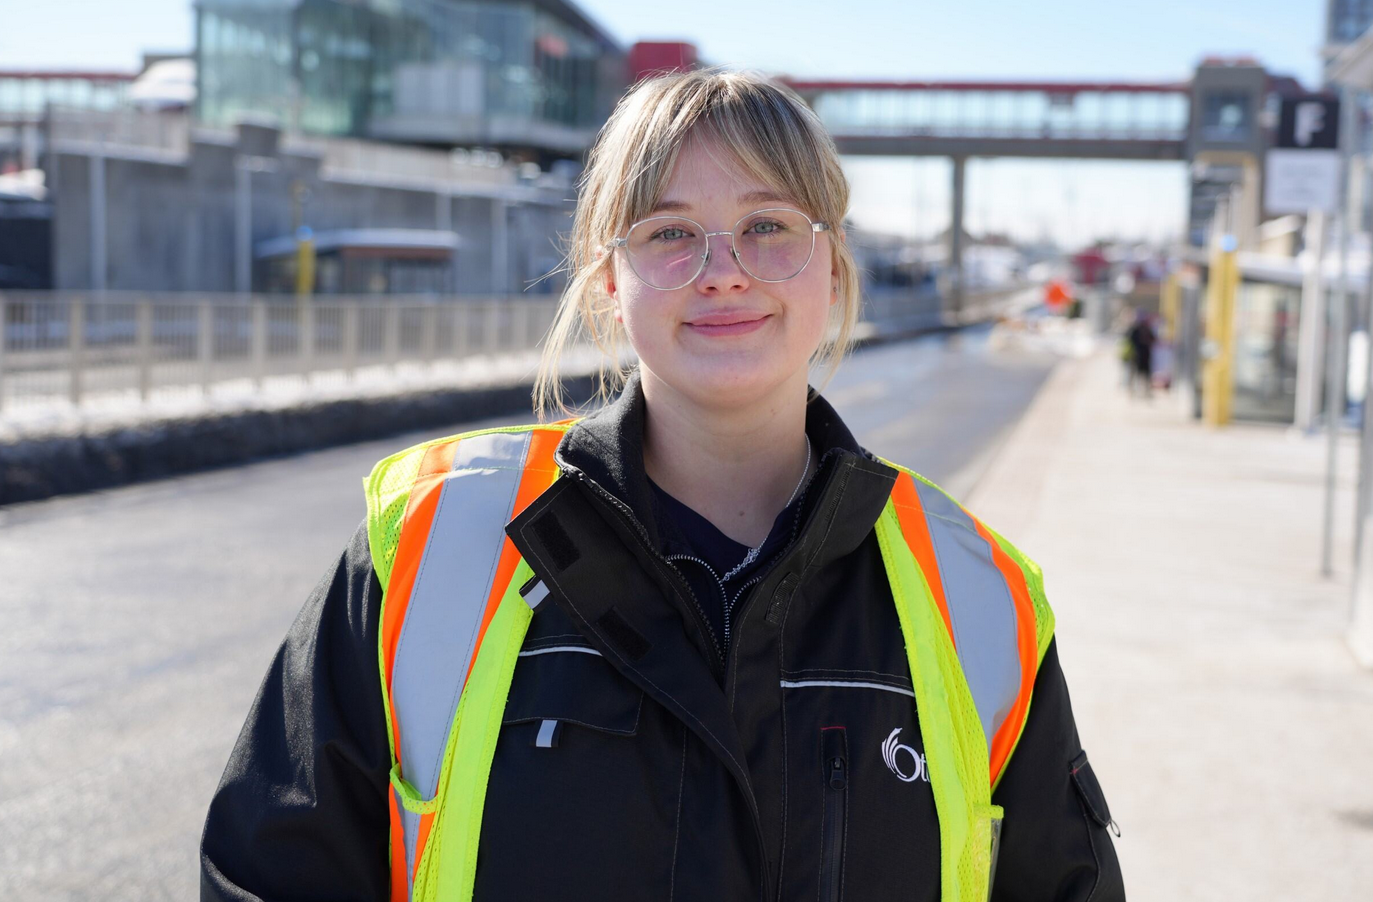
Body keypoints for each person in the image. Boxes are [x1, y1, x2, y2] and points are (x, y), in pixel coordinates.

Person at [201, 70, 1124, 902]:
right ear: (607, 279)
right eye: (670, 233)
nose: (722, 273)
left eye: (767, 226)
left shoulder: (975, 598)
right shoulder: (426, 551)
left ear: (832, 263)